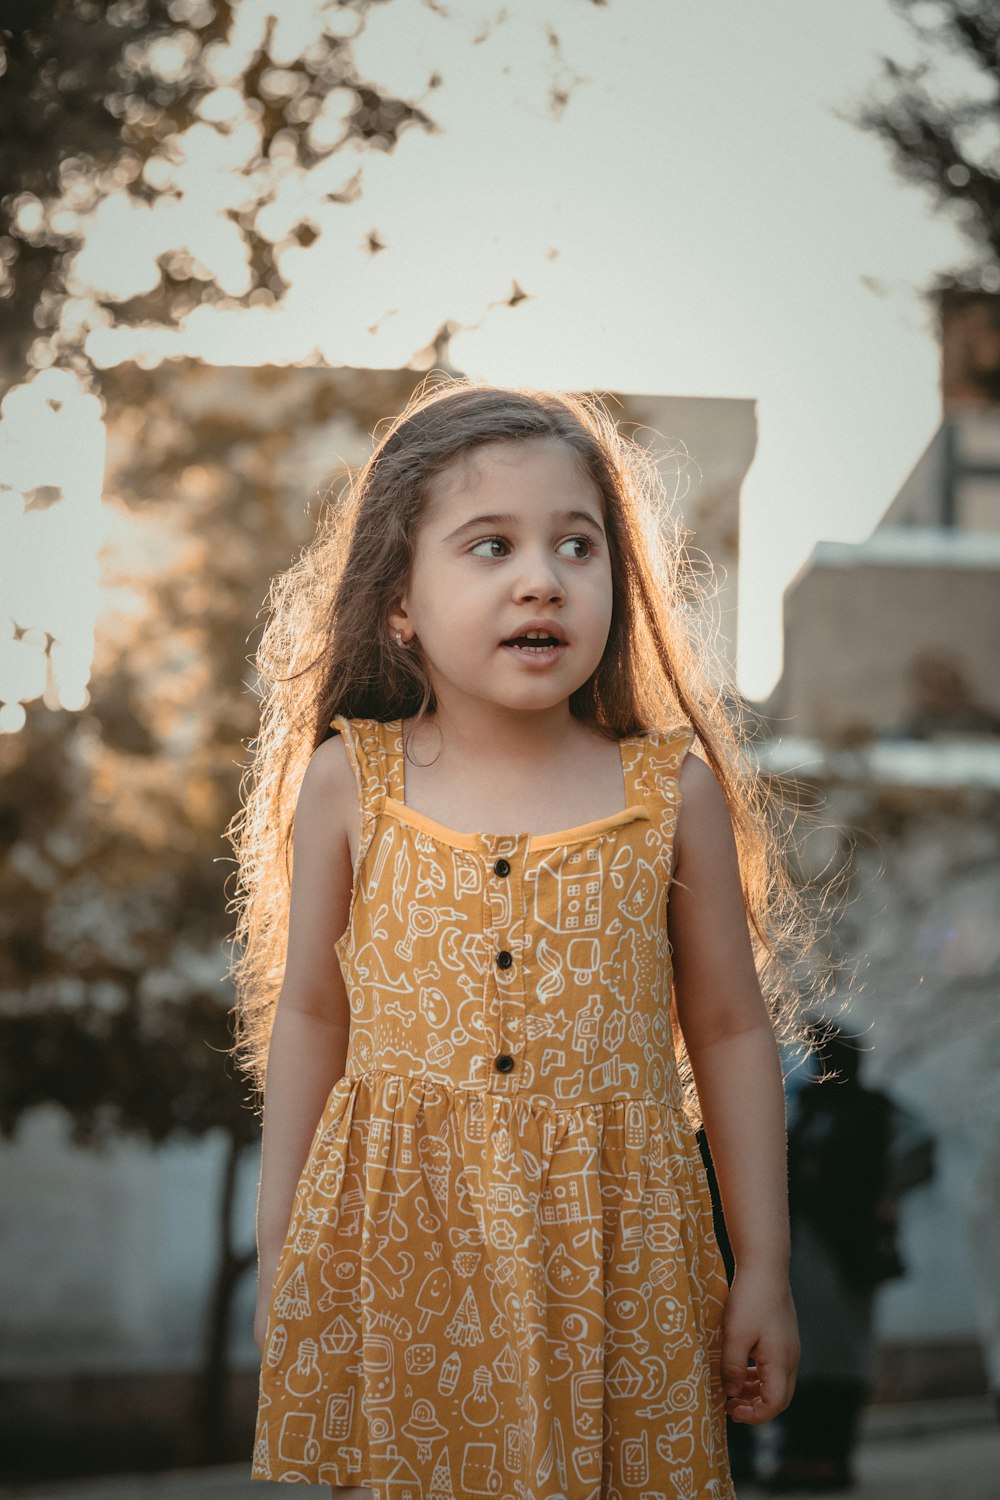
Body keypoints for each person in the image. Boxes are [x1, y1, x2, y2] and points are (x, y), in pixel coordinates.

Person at [226, 379, 822, 1499]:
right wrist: (285, 1250)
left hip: (621, 1260)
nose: (540, 577)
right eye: (489, 545)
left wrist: (765, 1271)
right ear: (398, 601)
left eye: (576, 547)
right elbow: (311, 1013)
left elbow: (733, 1034)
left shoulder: (668, 793)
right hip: (407, 1260)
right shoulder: (353, 783)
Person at [767, 1024, 935, 1494]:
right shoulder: (805, 1109)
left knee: (840, 1358)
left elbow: (918, 1147)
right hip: (803, 1248)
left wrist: (887, 1193)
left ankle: (830, 1459)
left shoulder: (873, 1107)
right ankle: (799, 1457)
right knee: (800, 1354)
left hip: (849, 1250)